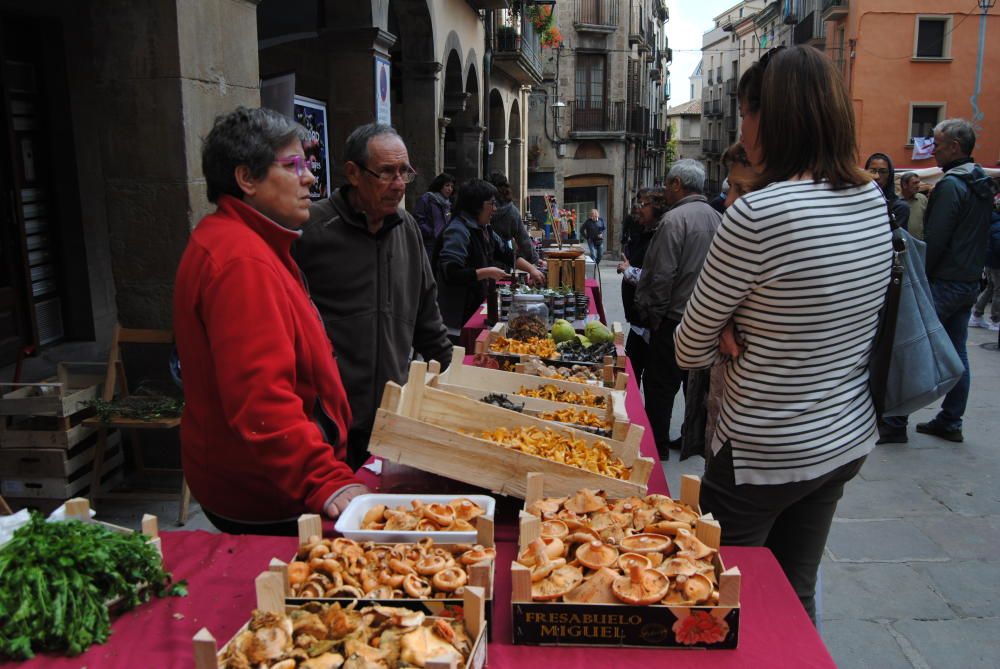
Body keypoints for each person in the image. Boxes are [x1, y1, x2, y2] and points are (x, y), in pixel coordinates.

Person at [675, 46, 893, 622]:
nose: (741, 127)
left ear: (767, 117)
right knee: (794, 598)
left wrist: (727, 325)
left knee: (713, 601)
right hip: (841, 436)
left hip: (760, 451)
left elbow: (688, 346)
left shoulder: (757, 214)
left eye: (745, 112)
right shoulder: (871, 198)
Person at [173, 107, 368, 534]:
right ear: (247, 179)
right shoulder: (241, 260)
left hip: (264, 481)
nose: (309, 178)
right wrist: (323, 479)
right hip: (266, 492)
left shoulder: (246, 242)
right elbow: (260, 397)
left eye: (306, 164)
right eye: (293, 165)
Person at [293, 124, 453, 470]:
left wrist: (455, 380)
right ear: (353, 173)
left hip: (391, 416)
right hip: (328, 423)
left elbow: (427, 314)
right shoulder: (311, 229)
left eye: (404, 172)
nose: (398, 184)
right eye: (385, 173)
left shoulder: (408, 228)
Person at [901, 119, 995, 443]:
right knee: (957, 351)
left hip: (944, 280)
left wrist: (922, 279)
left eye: (937, 144)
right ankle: (951, 420)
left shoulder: (952, 185)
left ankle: (896, 419)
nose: (932, 149)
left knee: (909, 347)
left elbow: (936, 239)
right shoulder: (980, 183)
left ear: (955, 147)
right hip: (968, 280)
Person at [634, 159, 722, 459]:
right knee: (694, 385)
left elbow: (662, 274)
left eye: (667, 183)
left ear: (676, 185)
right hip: (706, 319)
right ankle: (691, 440)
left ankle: (657, 446)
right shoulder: (717, 217)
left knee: (660, 386)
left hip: (674, 319)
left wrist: (654, 316)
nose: (664, 191)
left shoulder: (674, 220)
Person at [435, 179, 543, 336]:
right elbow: (451, 273)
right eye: (491, 204)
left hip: (475, 306)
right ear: (476, 205)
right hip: (457, 317)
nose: (495, 209)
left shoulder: (485, 229)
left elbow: (506, 254)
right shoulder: (458, 231)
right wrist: (487, 272)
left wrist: (532, 269)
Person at [617, 188, 668, 387]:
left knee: (650, 381)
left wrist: (629, 271)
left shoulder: (660, 236)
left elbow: (658, 277)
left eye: (644, 205)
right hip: (639, 323)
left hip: (651, 324)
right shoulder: (643, 232)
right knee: (630, 375)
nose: (639, 209)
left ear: (657, 207)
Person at [488, 171, 541, 268]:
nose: (494, 210)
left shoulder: (482, 210)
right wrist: (535, 261)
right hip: (501, 264)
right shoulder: (511, 211)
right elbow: (524, 242)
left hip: (487, 263)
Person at [969, 197, 1000, 331]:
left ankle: (977, 314)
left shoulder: (991, 221)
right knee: (997, 290)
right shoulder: (997, 223)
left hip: (989, 261)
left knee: (991, 287)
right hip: (996, 263)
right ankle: (996, 319)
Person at [865, 152, 910, 230]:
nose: (877, 176)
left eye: (883, 172)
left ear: (890, 175)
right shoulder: (860, 202)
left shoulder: (899, 207)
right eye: (872, 171)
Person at [413, 172, 454, 256]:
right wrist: (432, 232)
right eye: (447, 185)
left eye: (452, 186)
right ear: (440, 185)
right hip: (429, 245)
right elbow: (418, 221)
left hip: (444, 244)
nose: (450, 189)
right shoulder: (427, 199)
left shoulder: (448, 203)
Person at [899, 171, 928, 240]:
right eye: (915, 183)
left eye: (918, 182)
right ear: (904, 185)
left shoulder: (922, 199)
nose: (918, 186)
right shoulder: (895, 201)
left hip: (920, 243)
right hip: (902, 243)